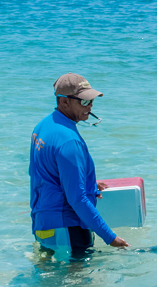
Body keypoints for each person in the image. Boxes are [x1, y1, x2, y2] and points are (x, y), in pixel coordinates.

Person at [29, 73, 130, 255]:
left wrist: (87, 183)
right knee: (79, 283)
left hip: (43, 224)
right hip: (67, 228)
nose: (90, 106)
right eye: (84, 102)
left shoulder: (42, 127)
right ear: (64, 102)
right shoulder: (69, 141)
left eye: (91, 101)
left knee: (51, 281)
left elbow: (42, 174)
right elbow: (77, 199)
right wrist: (110, 237)